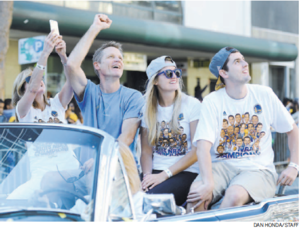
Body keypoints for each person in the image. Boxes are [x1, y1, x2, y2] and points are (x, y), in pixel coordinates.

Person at [186, 47, 299, 212]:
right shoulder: (212, 101)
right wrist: (208, 183)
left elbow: (293, 130)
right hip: (222, 166)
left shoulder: (264, 94)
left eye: (243, 59)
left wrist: (294, 165)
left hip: (259, 169)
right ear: (223, 73)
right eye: (237, 62)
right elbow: (203, 146)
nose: (245, 64)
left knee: (234, 196)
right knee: (196, 197)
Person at [65, 14, 144, 166]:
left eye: (120, 58)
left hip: (118, 169)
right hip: (87, 170)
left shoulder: (133, 97)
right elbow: (71, 65)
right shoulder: (89, 92)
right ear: (97, 65)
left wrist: (99, 161)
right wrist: (95, 28)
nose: (118, 60)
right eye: (111, 57)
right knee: (48, 181)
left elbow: (126, 138)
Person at [8, 32, 79, 199]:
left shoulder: (56, 104)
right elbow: (33, 89)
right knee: (12, 201)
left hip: (71, 172)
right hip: (41, 177)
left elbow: (72, 83)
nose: (36, 79)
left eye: (39, 76)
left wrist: (63, 56)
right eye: (29, 78)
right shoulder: (23, 110)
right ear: (21, 89)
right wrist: (45, 52)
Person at [140, 55, 201, 206]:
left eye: (176, 73)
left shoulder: (191, 104)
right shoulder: (147, 109)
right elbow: (146, 151)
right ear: (155, 80)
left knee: (148, 202)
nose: (174, 77)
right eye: (168, 74)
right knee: (126, 196)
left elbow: (196, 151)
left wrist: (163, 175)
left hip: (186, 172)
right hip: (155, 171)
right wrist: (147, 177)